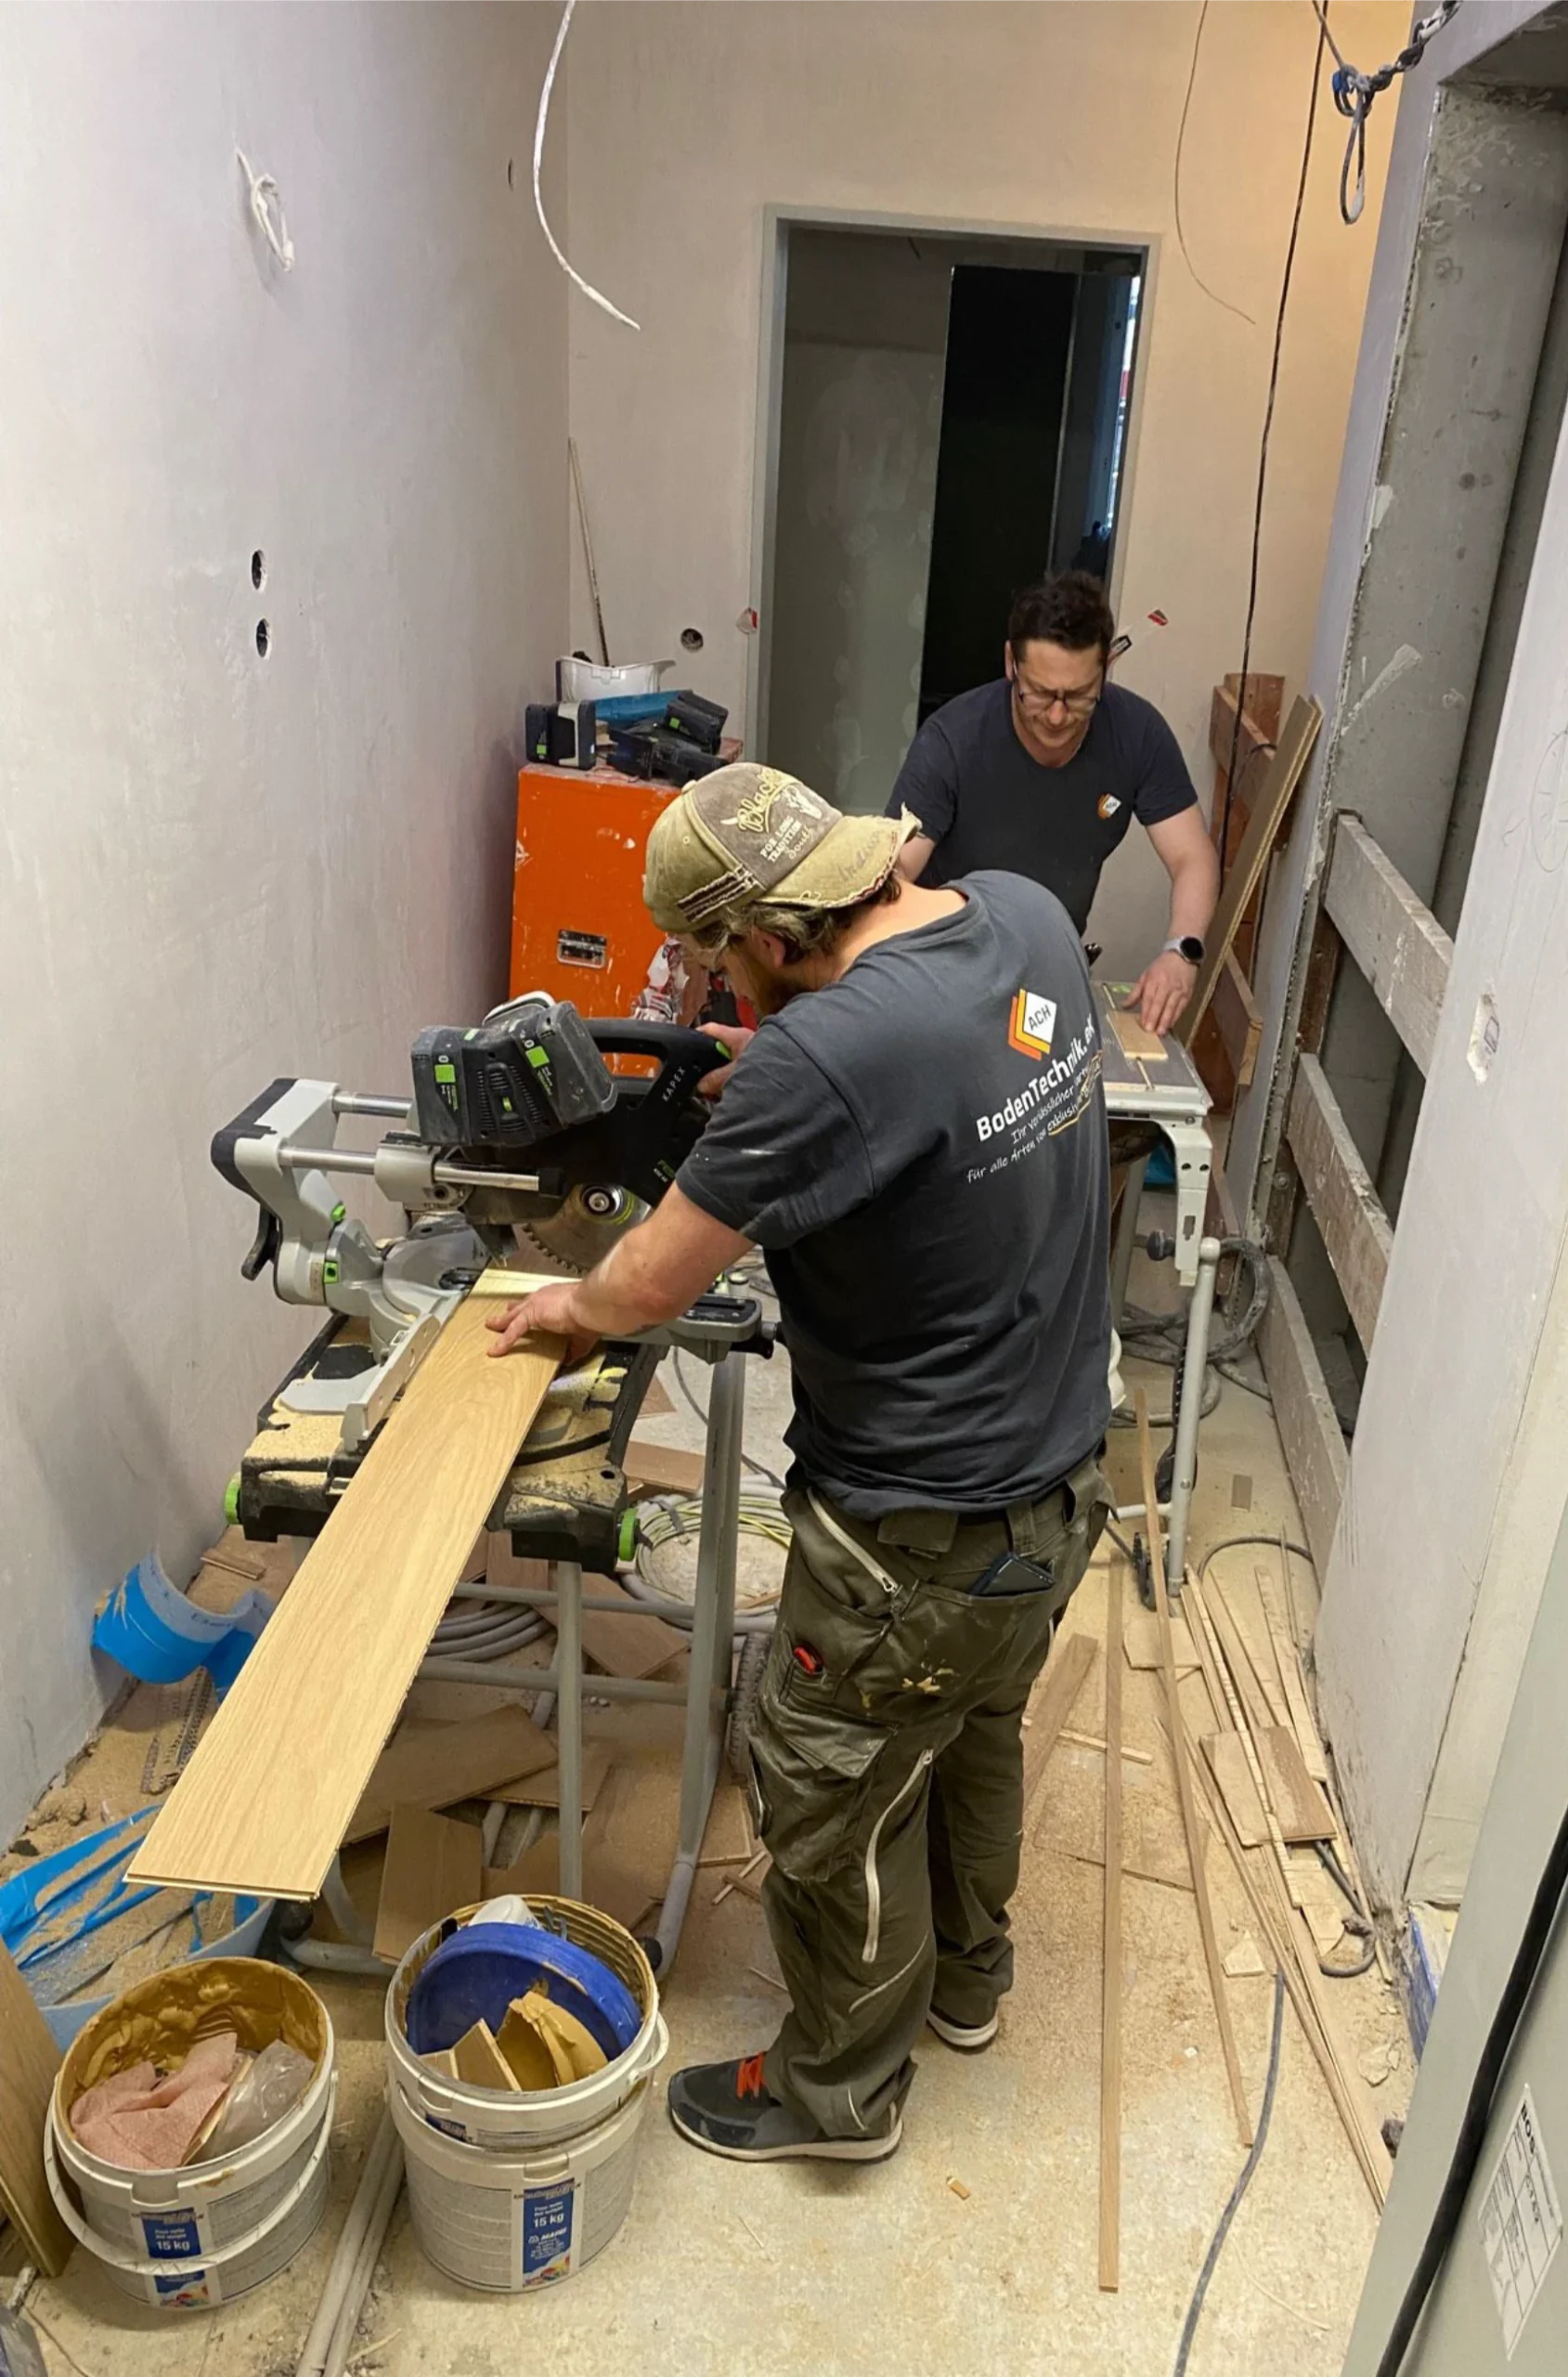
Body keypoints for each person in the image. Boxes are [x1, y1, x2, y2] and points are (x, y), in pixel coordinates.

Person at [488, 761, 1111, 2163]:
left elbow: (648, 1281)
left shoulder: (819, 1060)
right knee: (971, 1734)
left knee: (831, 1788)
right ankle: (965, 1987)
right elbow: (928, 1092)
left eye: (718, 960)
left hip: (912, 1541)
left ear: (770, 935)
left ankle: (838, 2095)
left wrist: (570, 1305)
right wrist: (773, 1079)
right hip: (1059, 1483)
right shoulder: (1023, 915)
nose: (718, 988)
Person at [888, 569, 1219, 1035]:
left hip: (1048, 967)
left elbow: (1192, 857)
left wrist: (1181, 951)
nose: (1059, 716)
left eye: (1080, 696)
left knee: (1053, 1071)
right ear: (1011, 663)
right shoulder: (951, 742)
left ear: (1106, 669)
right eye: (1041, 694)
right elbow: (896, 871)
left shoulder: (1138, 735)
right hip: (944, 964)